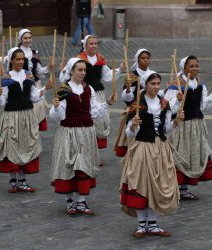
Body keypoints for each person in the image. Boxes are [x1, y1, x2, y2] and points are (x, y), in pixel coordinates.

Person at [120, 71, 183, 238]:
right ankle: (142, 225)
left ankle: (153, 225)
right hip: (142, 147)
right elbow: (129, 133)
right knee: (142, 184)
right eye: (152, 84)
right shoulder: (137, 104)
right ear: (146, 85)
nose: (156, 87)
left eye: (157, 84)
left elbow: (166, 129)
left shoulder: (164, 104)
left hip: (160, 147)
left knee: (157, 185)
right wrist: (133, 125)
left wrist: (175, 122)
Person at [50, 58, 116, 215]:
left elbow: (93, 112)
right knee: (69, 166)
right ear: (71, 71)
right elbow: (56, 116)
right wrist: (56, 107)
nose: (82, 73)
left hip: (86, 132)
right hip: (69, 132)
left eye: (84, 70)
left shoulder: (89, 89)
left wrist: (107, 103)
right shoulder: (64, 89)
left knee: (83, 165)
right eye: (79, 70)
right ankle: (69, 200)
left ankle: (81, 201)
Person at [0, 47, 52, 193]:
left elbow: (34, 97)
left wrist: (45, 89)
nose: (20, 62)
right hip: (11, 116)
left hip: (27, 116)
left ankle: (23, 180)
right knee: (13, 147)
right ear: (11, 60)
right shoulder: (6, 78)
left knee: (26, 146)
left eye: (22, 59)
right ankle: (13, 180)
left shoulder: (28, 75)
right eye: (18, 59)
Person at [164, 55, 212, 200]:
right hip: (181, 126)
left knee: (191, 155)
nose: (195, 69)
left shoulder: (200, 83)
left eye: (196, 66)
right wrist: (177, 101)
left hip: (196, 125)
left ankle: (184, 190)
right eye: (191, 66)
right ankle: (172, 189)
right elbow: (166, 106)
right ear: (184, 68)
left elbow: (202, 105)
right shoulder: (175, 84)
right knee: (179, 155)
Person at [61, 35, 122, 165]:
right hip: (84, 94)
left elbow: (106, 76)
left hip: (98, 93)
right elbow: (67, 75)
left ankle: (94, 153)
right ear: (85, 45)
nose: (94, 46)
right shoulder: (79, 59)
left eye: (95, 44)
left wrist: (119, 69)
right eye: (91, 44)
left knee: (100, 121)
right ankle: (86, 155)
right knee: (88, 122)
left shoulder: (100, 59)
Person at [113, 49, 152, 157]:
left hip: (148, 110)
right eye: (143, 58)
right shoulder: (131, 76)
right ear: (138, 60)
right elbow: (127, 99)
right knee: (132, 138)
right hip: (133, 109)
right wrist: (129, 89)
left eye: (147, 58)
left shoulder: (152, 74)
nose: (145, 60)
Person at [18, 28, 51, 131]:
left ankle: (33, 128)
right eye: (25, 38)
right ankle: (25, 127)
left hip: (35, 83)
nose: (28, 40)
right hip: (22, 85)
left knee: (38, 106)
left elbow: (39, 71)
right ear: (21, 39)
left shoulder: (34, 53)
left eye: (29, 38)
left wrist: (48, 67)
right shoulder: (16, 52)